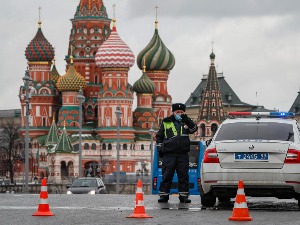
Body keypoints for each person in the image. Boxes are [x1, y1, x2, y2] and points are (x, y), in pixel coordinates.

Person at [156, 103, 197, 203]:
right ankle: (164, 195)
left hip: (182, 154)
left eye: (182, 112)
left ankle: (183, 196)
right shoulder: (166, 121)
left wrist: (187, 119)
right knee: (167, 175)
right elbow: (159, 137)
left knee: (183, 175)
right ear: (173, 112)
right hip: (169, 154)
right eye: (177, 112)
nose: (180, 114)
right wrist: (160, 150)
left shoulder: (186, 121)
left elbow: (194, 129)